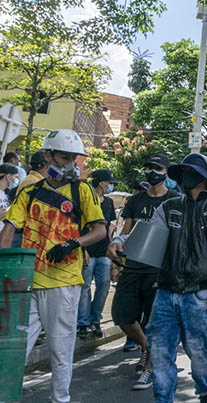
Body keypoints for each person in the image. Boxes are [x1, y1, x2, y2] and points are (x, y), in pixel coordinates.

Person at [109, 153, 207, 403]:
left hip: (200, 295)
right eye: (184, 171)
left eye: (192, 171)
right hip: (166, 293)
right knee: (159, 353)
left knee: (199, 357)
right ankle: (163, 399)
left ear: (205, 178)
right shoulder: (168, 207)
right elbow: (144, 236)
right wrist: (117, 241)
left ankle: (206, 391)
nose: (186, 176)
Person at [0, 129, 106, 403]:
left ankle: (60, 399)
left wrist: (74, 244)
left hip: (64, 283)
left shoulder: (82, 190)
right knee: (13, 350)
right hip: (26, 283)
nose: (69, 164)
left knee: (60, 351)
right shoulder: (31, 191)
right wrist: (4, 270)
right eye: (62, 157)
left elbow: (99, 231)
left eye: (73, 158)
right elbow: (9, 228)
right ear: (48, 156)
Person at [109, 154, 180, 391]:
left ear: (166, 172)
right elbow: (125, 232)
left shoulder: (175, 200)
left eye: (157, 168)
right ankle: (149, 349)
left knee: (154, 321)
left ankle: (149, 368)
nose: (152, 171)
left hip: (159, 271)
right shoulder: (135, 201)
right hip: (132, 266)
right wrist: (116, 263)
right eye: (149, 167)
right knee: (122, 315)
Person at [76, 169, 119, 339]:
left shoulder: (108, 202)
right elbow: (79, 228)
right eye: (109, 183)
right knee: (85, 287)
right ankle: (83, 322)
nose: (110, 186)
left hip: (104, 252)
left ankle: (96, 319)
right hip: (88, 250)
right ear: (101, 183)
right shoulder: (85, 200)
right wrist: (83, 249)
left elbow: (111, 225)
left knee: (104, 285)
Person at [0, 164, 19, 232]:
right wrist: (13, 206)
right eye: (15, 177)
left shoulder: (5, 194)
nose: (15, 180)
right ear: (8, 176)